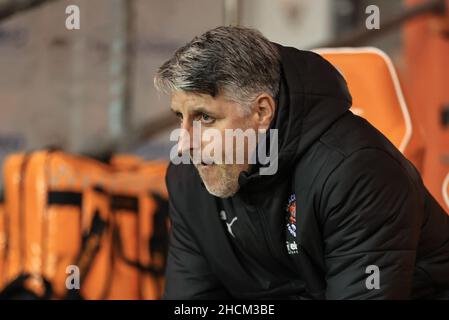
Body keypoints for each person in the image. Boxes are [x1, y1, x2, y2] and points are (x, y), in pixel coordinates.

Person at [154, 26, 449, 299]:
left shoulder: (357, 171)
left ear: (261, 111)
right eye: (180, 117)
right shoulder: (189, 174)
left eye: (205, 118)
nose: (184, 144)